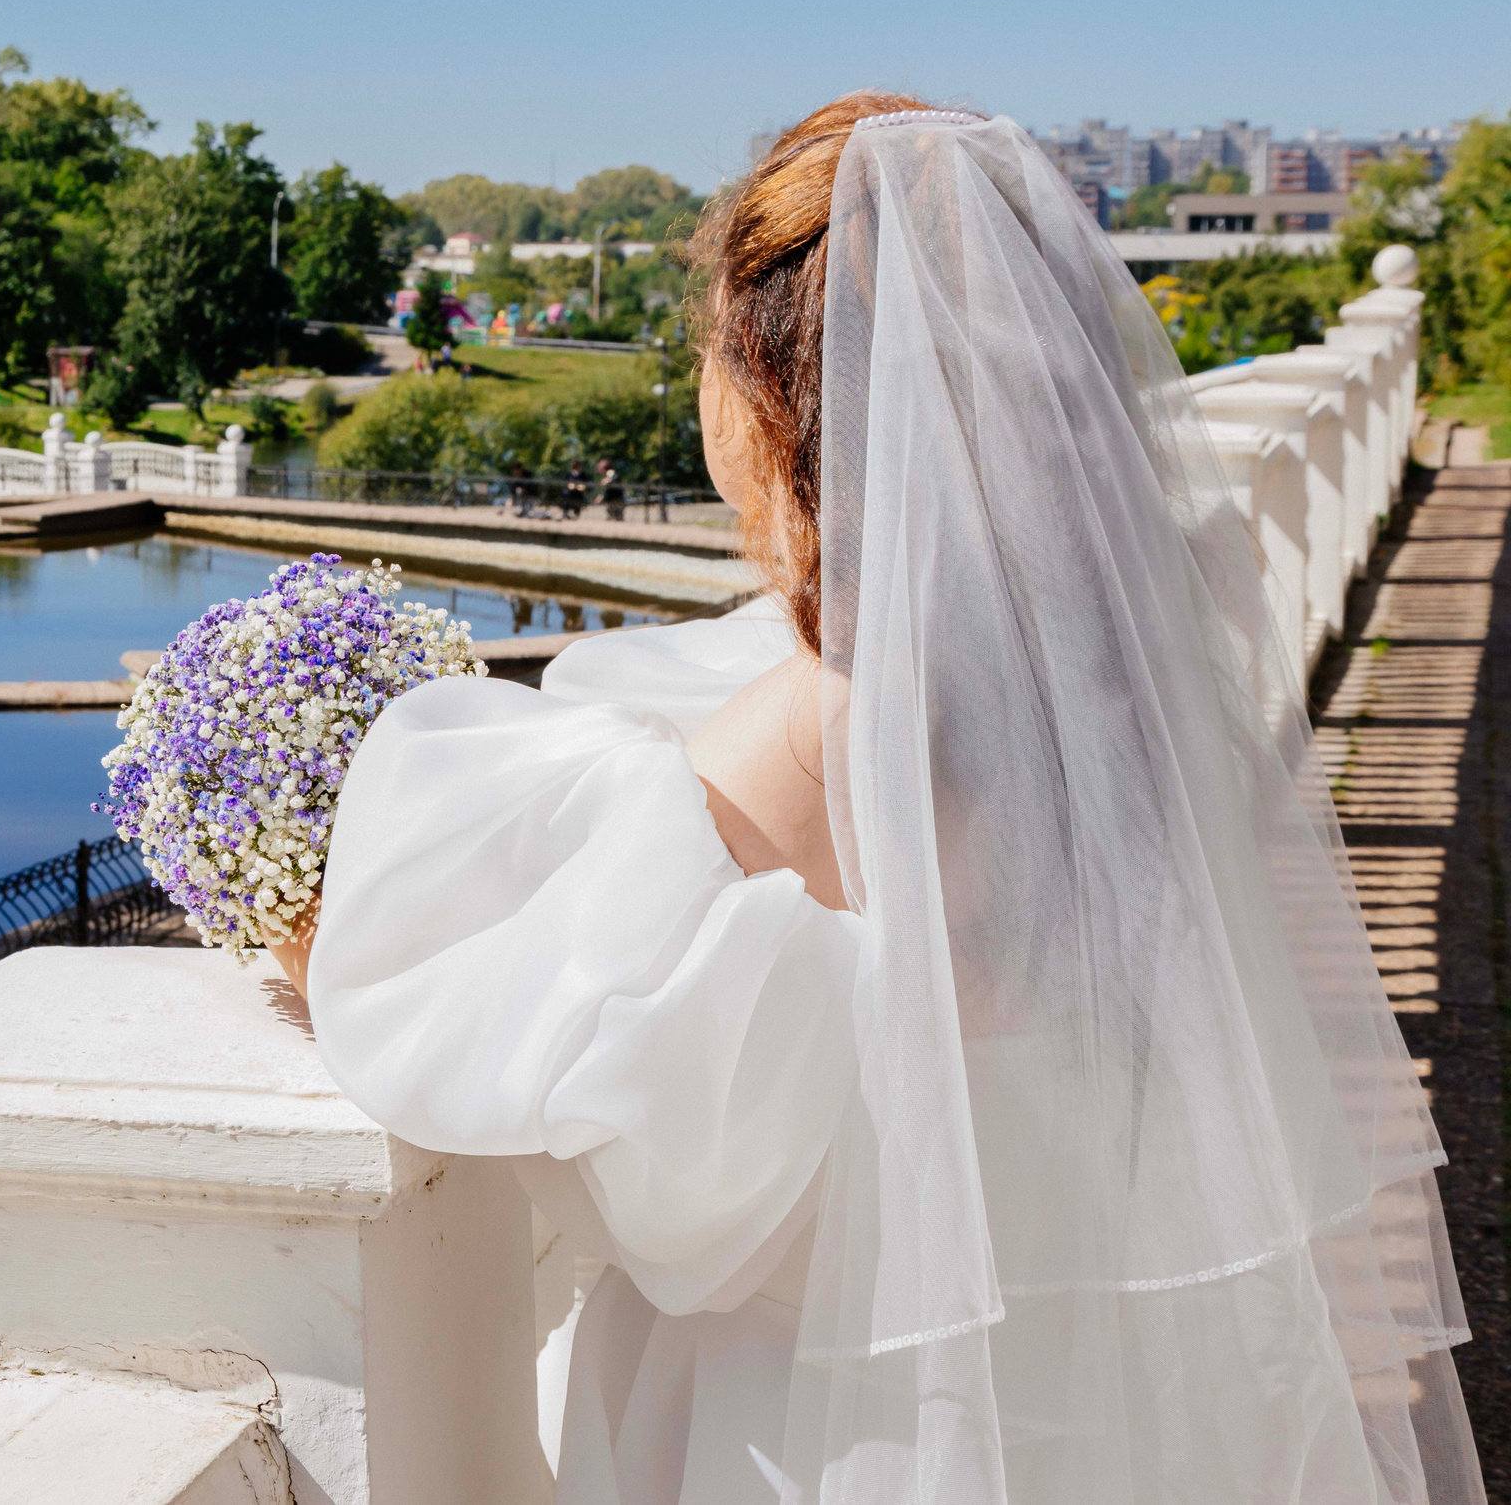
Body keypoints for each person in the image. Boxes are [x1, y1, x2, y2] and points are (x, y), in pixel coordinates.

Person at [273, 97, 1480, 1505]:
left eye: (711, 352)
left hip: (808, 1439)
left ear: (775, 393)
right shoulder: (1112, 683)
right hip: (1087, 1403)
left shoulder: (800, 735)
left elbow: (658, 1187)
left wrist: (310, 927)